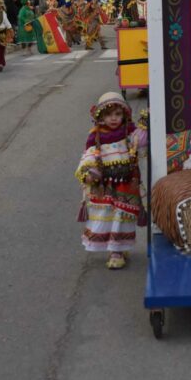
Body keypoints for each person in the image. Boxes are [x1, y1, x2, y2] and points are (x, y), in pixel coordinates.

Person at [74, 92, 147, 270]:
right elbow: (89, 156)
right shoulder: (96, 136)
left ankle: (117, 250)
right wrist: (89, 173)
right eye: (108, 115)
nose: (113, 119)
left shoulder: (130, 132)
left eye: (117, 114)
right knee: (107, 217)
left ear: (124, 115)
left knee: (121, 218)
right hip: (104, 187)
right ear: (100, 116)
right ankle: (115, 249)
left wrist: (146, 124)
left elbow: (142, 141)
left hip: (126, 185)